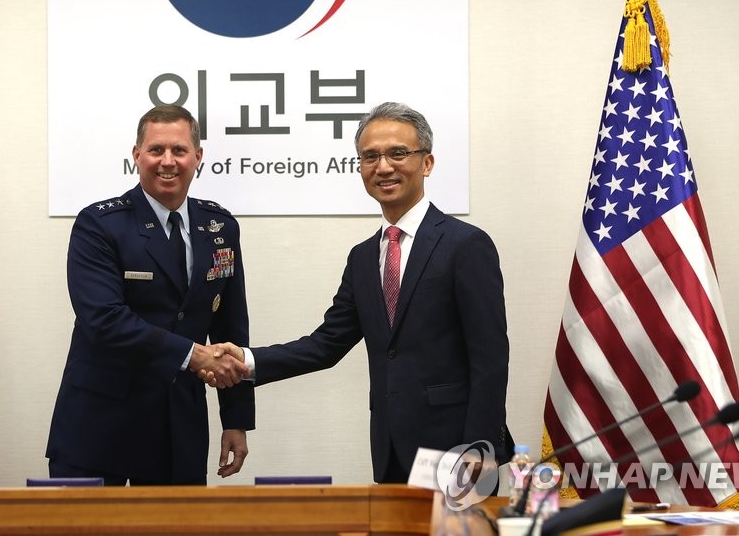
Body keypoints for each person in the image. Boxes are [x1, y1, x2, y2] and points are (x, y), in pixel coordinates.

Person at [209, 101, 514, 484]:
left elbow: (490, 358)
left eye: (398, 153)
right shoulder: (363, 257)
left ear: (427, 163)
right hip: (390, 449)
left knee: (459, 522)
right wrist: (247, 360)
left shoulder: (466, 245)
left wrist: (480, 447)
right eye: (370, 157)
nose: (383, 167)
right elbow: (326, 345)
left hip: (458, 450)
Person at [46, 104, 253, 486]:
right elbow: (104, 320)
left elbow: (231, 328)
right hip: (99, 427)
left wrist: (236, 419)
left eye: (179, 150)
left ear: (198, 156)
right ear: (137, 155)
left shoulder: (220, 227)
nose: (167, 161)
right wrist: (193, 355)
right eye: (156, 150)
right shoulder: (99, 225)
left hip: (179, 427)